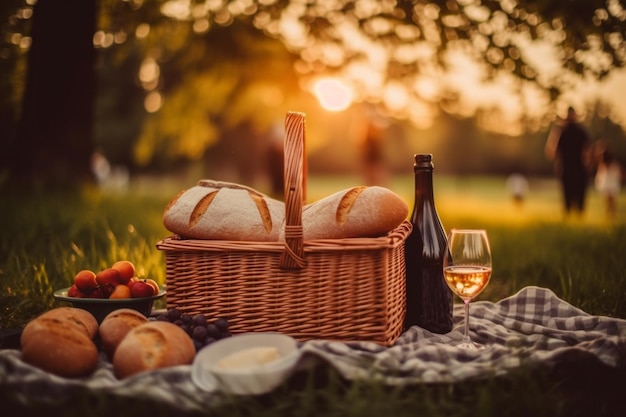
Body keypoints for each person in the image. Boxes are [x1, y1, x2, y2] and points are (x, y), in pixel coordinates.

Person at [545, 106, 591, 216]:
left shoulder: (578, 131)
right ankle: (572, 219)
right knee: (569, 198)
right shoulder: (562, 132)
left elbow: (587, 151)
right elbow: (552, 152)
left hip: (577, 169)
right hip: (568, 169)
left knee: (576, 197)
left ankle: (576, 218)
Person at [594, 147, 623, 220]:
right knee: (610, 201)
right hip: (611, 184)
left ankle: (610, 214)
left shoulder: (605, 164)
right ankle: (610, 214)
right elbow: (618, 172)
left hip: (607, 184)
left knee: (609, 201)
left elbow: (599, 175)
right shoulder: (610, 164)